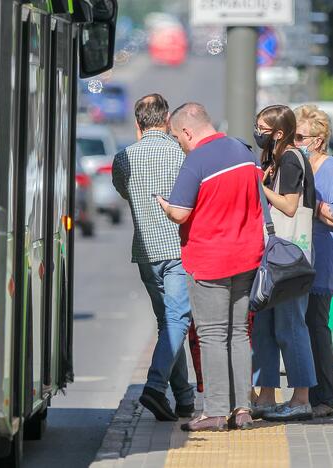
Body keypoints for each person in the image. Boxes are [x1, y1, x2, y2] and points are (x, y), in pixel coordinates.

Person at [156, 102, 264, 432]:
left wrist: (163, 203)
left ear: (187, 131)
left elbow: (181, 213)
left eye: (177, 137)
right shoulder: (243, 151)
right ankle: (243, 408)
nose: (179, 143)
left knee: (213, 335)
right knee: (238, 333)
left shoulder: (197, 160)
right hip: (247, 256)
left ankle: (216, 411)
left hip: (210, 260)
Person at [111, 94, 196, 421]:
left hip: (146, 253)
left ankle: (184, 399)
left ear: (138, 124)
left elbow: (124, 190)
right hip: (177, 250)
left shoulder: (123, 158)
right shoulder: (180, 153)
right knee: (177, 321)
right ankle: (155, 387)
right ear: (166, 121)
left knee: (168, 323)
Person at [251, 105, 317, 422]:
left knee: (290, 326)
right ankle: (265, 395)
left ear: (278, 133)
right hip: (273, 256)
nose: (257, 132)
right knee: (264, 327)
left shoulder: (291, 159)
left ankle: (301, 397)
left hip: (290, 257)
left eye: (262, 128)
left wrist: (259, 186)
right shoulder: (273, 161)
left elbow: (290, 207)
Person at [293, 104, 333, 418]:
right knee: (301, 326)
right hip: (299, 258)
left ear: (317, 140)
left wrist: (309, 202)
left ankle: (325, 397)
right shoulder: (298, 166)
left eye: (299, 136)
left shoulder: (331, 169)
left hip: (324, 260)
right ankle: (307, 394)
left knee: (316, 326)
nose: (295, 141)